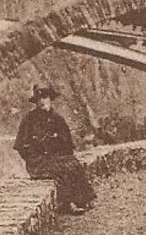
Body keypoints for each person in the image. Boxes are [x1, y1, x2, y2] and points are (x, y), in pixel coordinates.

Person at [14, 84, 97, 214]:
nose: (42, 101)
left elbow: (68, 144)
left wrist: (57, 144)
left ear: (50, 99)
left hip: (56, 157)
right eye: (39, 98)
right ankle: (67, 204)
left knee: (72, 164)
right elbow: (20, 145)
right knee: (60, 170)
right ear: (36, 102)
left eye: (45, 97)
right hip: (38, 163)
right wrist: (33, 157)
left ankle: (84, 199)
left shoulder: (58, 119)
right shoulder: (29, 120)